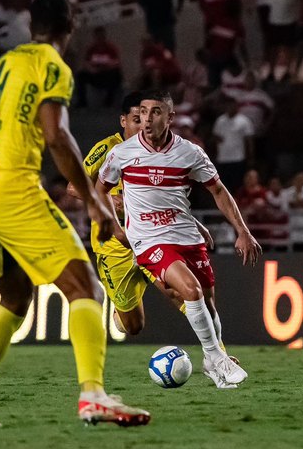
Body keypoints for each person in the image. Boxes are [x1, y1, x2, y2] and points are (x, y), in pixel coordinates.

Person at [0, 0, 149, 428]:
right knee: (84, 286)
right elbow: (56, 136)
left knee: (15, 297)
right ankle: (93, 395)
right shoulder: (52, 66)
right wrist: (94, 202)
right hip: (12, 189)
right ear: (69, 26)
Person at [97, 91, 262, 389]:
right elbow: (100, 190)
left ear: (170, 117)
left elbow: (219, 192)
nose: (147, 119)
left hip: (185, 235)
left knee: (209, 305)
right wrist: (112, 224)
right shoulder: (121, 153)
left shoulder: (190, 153)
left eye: (155, 112)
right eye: (144, 112)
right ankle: (216, 357)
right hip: (147, 240)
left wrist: (242, 230)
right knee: (190, 289)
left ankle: (213, 366)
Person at [71, 91, 214, 337]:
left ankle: (217, 354)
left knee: (180, 293)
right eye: (137, 119)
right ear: (123, 121)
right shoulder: (108, 148)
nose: (144, 124)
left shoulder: (159, 151)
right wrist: (107, 198)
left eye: (148, 117)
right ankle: (122, 309)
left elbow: (168, 199)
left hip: (151, 238)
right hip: (114, 246)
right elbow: (73, 187)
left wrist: (192, 223)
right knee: (133, 326)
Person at [212, 99, 255, 195]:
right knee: (223, 186)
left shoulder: (244, 121)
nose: (230, 108)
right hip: (223, 158)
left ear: (237, 107)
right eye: (228, 106)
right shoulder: (220, 120)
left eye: (232, 106)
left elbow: (249, 141)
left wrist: (250, 157)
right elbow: (215, 136)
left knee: (237, 185)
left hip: (238, 158)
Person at [75, 26, 122, 108]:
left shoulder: (110, 48)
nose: (100, 38)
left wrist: (106, 67)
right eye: (98, 36)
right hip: (95, 75)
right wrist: (91, 69)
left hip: (107, 74)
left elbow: (116, 63)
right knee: (80, 75)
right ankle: (82, 102)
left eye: (101, 36)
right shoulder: (91, 49)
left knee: (117, 74)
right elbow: (86, 62)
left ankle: (109, 101)